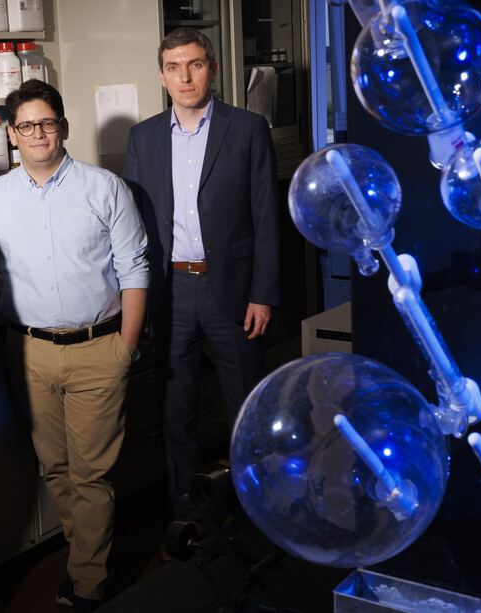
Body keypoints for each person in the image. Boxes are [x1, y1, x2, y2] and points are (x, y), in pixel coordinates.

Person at [0, 80, 149, 613]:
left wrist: (125, 349)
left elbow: (136, 268)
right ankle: (86, 554)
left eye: (47, 123)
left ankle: (89, 581)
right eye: (27, 125)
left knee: (92, 474)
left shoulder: (104, 188)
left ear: (62, 128)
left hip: (98, 348)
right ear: (12, 135)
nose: (38, 133)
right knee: (55, 468)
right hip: (28, 354)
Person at [124, 27, 281, 533]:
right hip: (170, 291)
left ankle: (252, 511)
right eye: (174, 67)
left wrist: (263, 293)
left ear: (211, 68)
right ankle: (188, 515)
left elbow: (266, 216)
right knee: (176, 411)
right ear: (162, 75)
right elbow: (136, 226)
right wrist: (140, 299)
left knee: (246, 408)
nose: (184, 76)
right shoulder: (144, 136)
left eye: (194, 64)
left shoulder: (248, 127)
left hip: (232, 290)